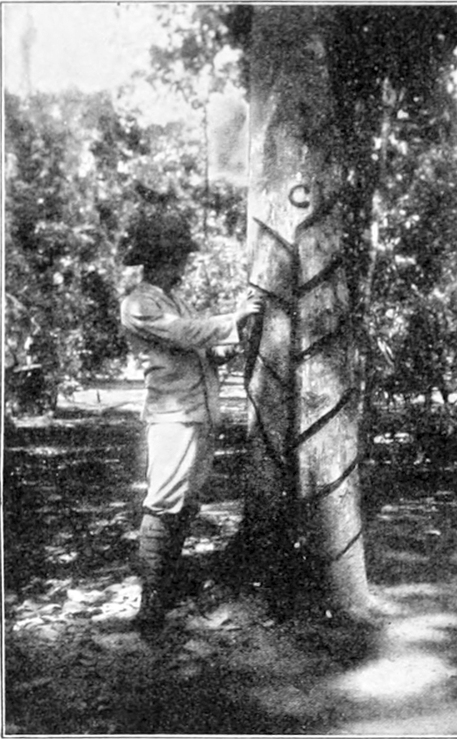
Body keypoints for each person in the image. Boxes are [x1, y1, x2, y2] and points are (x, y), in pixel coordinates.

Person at [120, 199, 263, 637]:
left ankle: (167, 578)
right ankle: (151, 596)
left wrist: (224, 347)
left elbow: (197, 348)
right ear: (159, 259)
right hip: (172, 416)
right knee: (164, 500)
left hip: (198, 412)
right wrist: (232, 318)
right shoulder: (139, 303)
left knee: (188, 499)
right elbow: (183, 334)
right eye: (177, 256)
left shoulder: (172, 299)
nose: (182, 264)